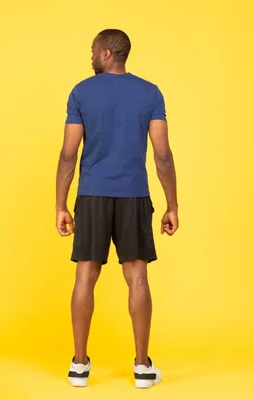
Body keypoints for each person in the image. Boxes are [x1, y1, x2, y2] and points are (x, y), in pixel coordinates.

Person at [55, 28, 179, 389]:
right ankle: (142, 367)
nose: (90, 55)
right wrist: (172, 205)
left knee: (85, 276)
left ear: (107, 53)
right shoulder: (150, 93)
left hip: (91, 195)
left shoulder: (81, 91)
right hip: (134, 196)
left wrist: (61, 204)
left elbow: (68, 154)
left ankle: (79, 366)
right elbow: (163, 155)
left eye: (94, 49)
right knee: (137, 277)